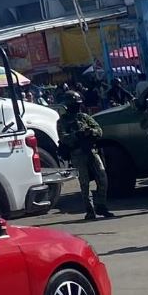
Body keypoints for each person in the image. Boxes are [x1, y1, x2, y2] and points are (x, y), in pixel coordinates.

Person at [57, 91, 114, 220]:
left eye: (77, 104)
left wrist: (90, 132)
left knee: (102, 178)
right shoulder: (62, 121)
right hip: (77, 153)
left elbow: (99, 130)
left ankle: (101, 205)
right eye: (74, 104)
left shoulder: (84, 117)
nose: (76, 106)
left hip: (91, 151)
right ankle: (90, 210)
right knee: (84, 183)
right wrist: (76, 135)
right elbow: (63, 138)